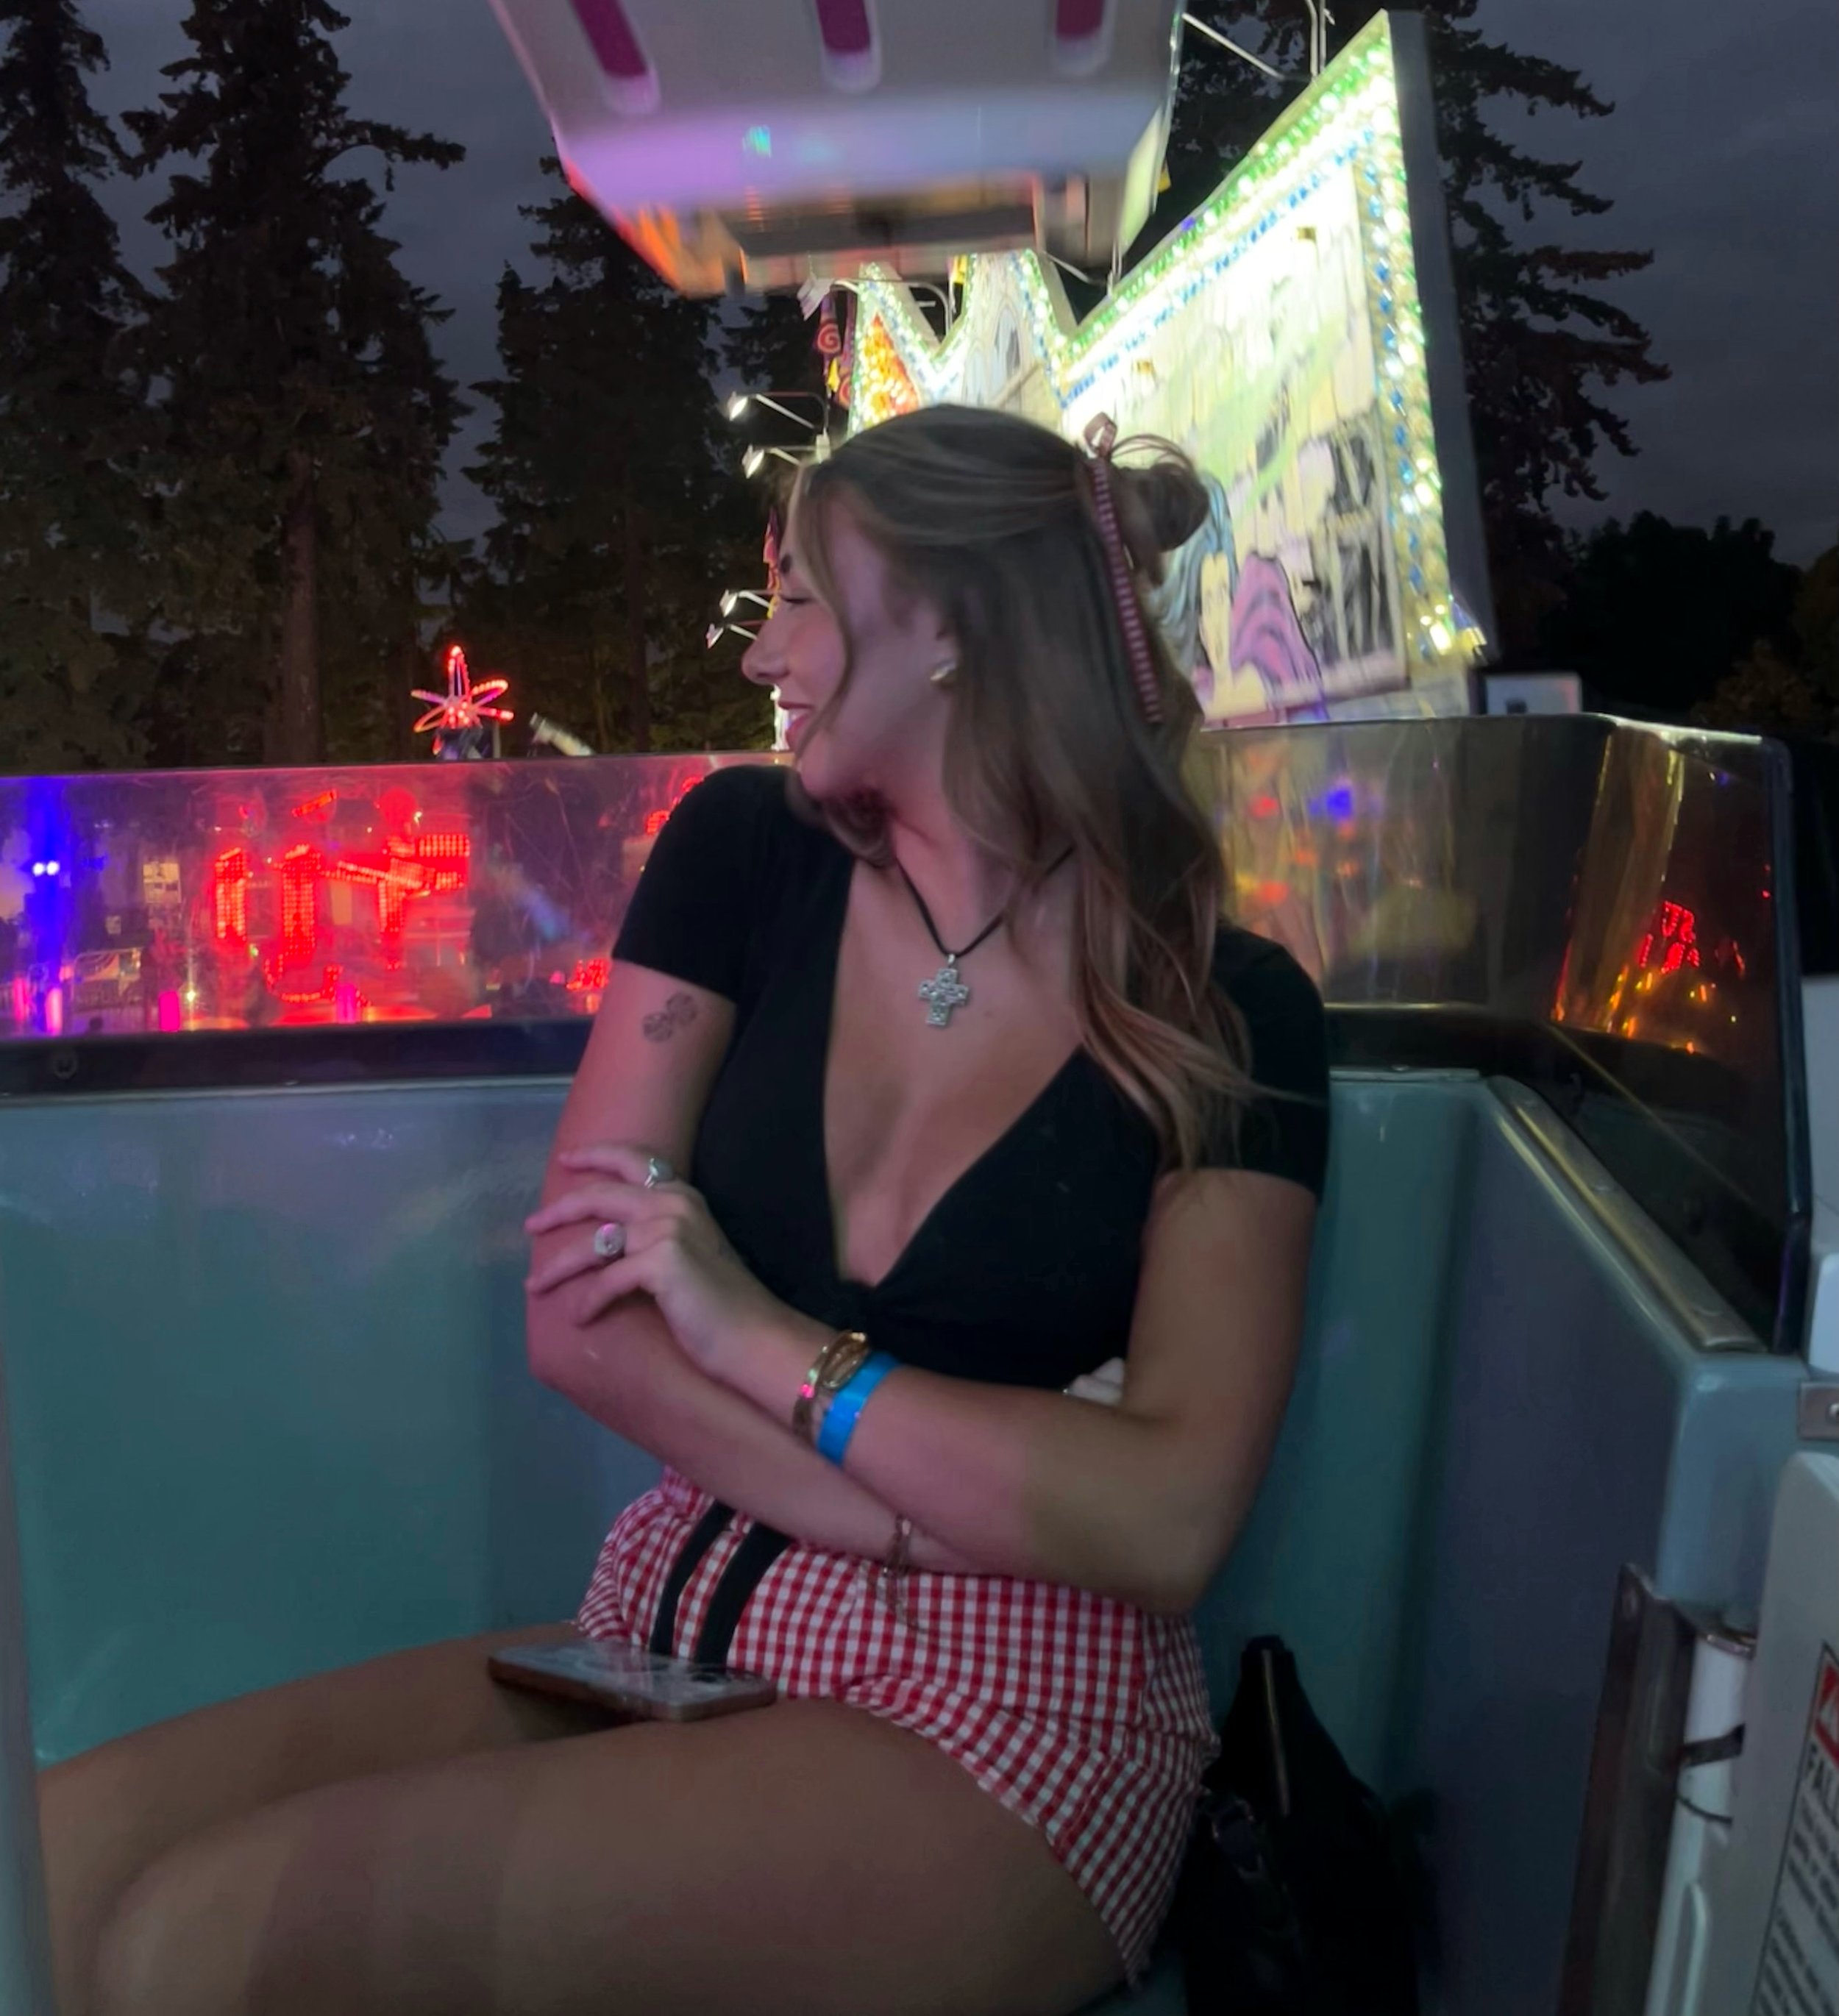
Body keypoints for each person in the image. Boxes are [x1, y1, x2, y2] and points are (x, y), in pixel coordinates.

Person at [36, 404, 1327, 2016]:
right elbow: (581, 1321)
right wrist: (910, 1517)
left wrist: (753, 1333)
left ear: (947, 630)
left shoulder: (1223, 1008)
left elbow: (1164, 1521)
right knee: (54, 1866)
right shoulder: (740, 855)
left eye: (800, 600)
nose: (761, 652)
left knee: (194, 1947)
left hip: (1013, 1707)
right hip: (673, 1611)